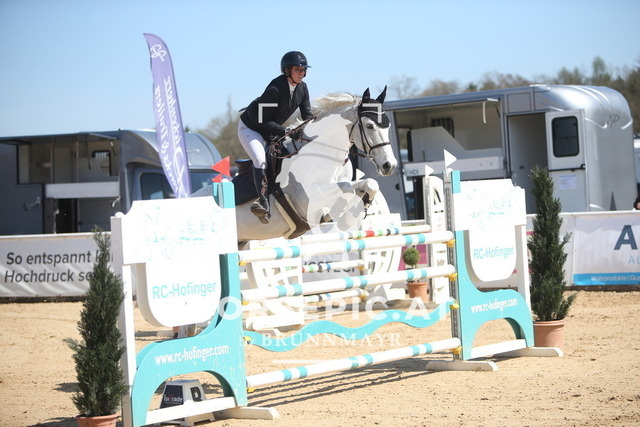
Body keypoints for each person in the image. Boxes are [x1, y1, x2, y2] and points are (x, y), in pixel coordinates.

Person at [238, 51, 314, 223]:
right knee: (260, 159)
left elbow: (307, 116)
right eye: (297, 69)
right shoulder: (275, 88)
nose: (301, 73)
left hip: (270, 129)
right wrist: (286, 131)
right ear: (286, 70)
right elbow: (262, 120)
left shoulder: (303, 88)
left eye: (303, 70)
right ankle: (262, 202)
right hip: (251, 127)